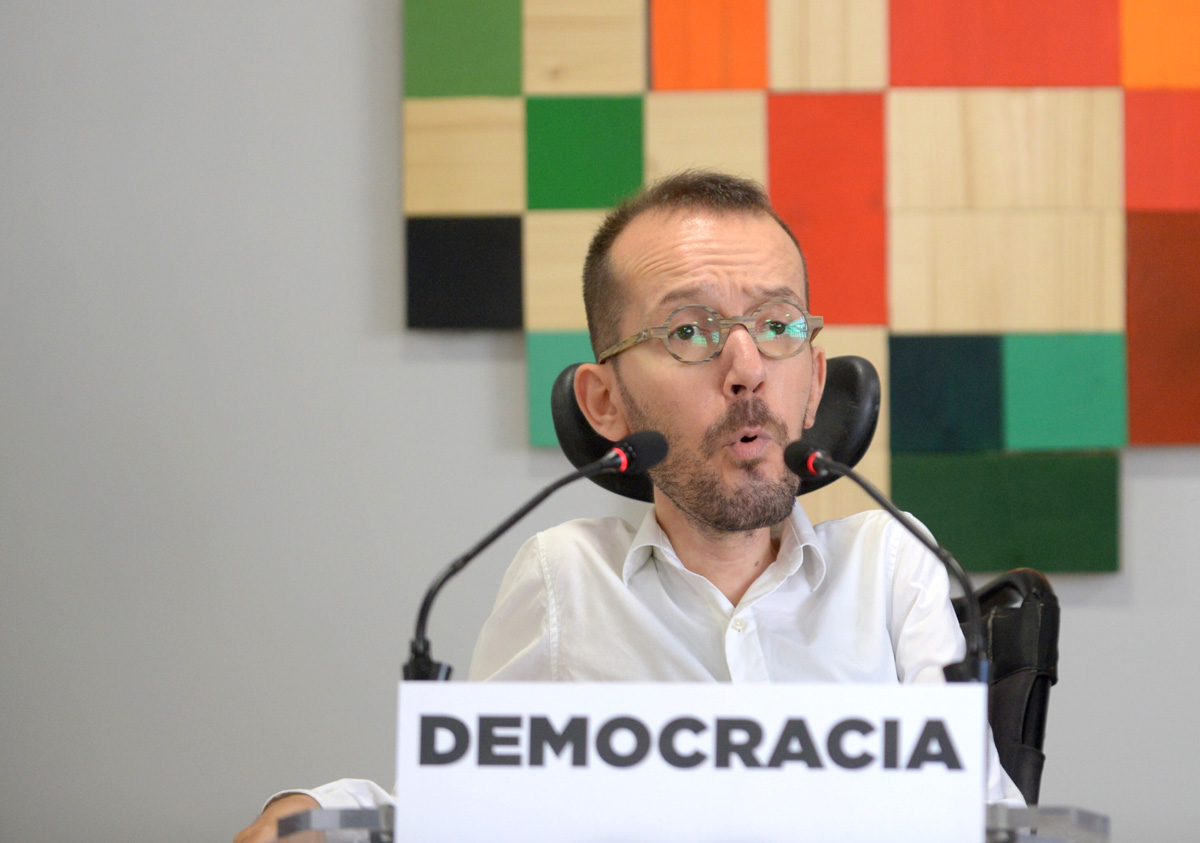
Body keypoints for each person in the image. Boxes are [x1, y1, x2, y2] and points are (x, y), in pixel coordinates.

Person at [234, 171, 1021, 842]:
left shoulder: (893, 564)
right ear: (604, 401)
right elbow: (463, 814)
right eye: (691, 329)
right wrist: (314, 815)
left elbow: (980, 816)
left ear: (815, 381)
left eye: (777, 324)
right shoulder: (566, 581)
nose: (746, 367)